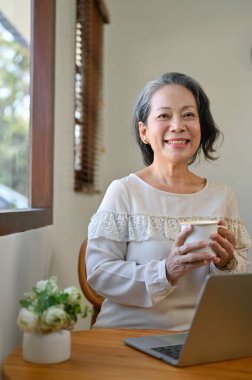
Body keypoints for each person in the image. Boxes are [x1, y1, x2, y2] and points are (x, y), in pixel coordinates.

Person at [86, 72, 251, 330]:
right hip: (126, 334)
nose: (178, 126)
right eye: (164, 115)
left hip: (199, 338)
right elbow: (99, 274)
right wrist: (165, 271)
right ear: (144, 132)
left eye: (188, 115)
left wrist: (227, 262)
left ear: (200, 127)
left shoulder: (222, 195)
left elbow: (241, 281)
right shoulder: (124, 191)